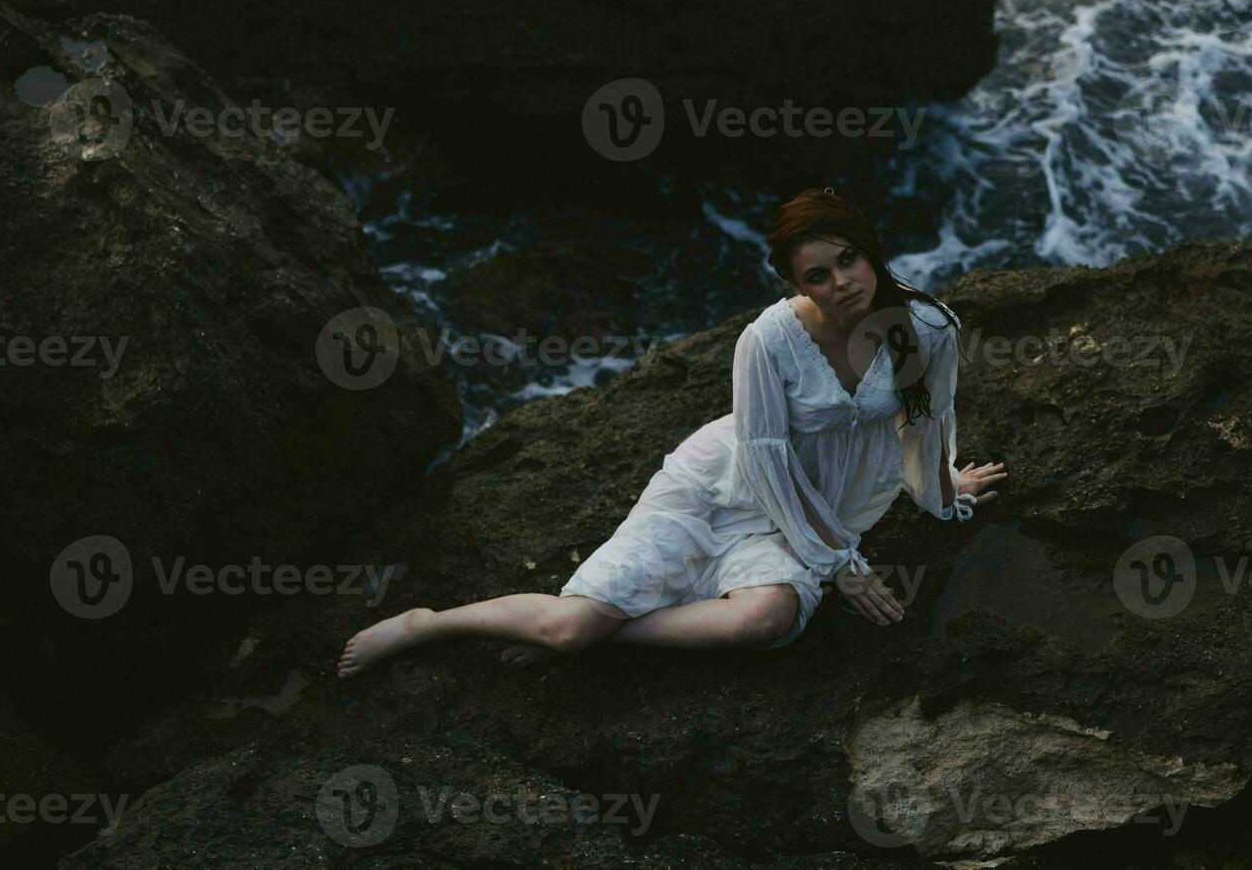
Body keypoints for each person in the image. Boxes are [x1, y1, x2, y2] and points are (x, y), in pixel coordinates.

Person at [337, 187, 1007, 678]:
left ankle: (614, 632)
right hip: (722, 491)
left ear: (871, 251)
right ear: (791, 284)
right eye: (817, 276)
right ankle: (428, 625)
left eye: (849, 260)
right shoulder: (769, 340)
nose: (841, 283)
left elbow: (923, 422)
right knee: (565, 629)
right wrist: (845, 565)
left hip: (806, 519)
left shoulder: (926, 328)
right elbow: (764, 457)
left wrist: (941, 490)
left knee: (765, 621)